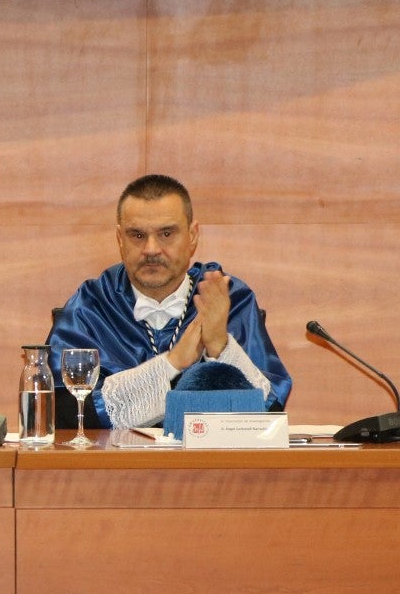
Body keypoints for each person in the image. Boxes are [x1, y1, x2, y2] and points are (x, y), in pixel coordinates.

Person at [48, 174, 290, 429]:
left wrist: (220, 345)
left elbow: (269, 413)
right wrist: (174, 362)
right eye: (137, 235)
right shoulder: (92, 306)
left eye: (166, 233)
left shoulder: (227, 298)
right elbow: (66, 413)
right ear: (120, 239)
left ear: (193, 236)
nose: (151, 249)